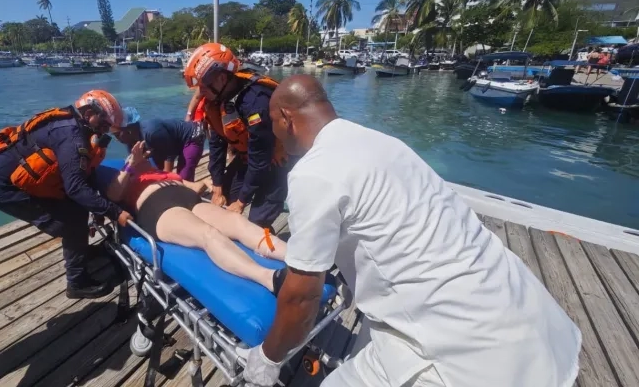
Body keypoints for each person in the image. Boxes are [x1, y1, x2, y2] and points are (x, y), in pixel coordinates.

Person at [242, 74, 581, 387]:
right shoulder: (383, 143)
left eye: (272, 123)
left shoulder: (314, 173)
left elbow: (302, 297)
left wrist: (268, 357)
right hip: (523, 308)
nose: (273, 135)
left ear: (286, 117)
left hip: (464, 345)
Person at [0, 90, 132, 299]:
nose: (105, 129)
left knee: (78, 210)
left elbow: (83, 172)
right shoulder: (72, 137)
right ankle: (77, 283)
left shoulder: (75, 124)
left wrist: (97, 208)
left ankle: (80, 252)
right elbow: (76, 188)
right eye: (104, 123)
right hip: (7, 188)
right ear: (89, 113)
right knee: (71, 222)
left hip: (26, 180)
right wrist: (115, 212)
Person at [93, 141, 287, 293]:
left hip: (189, 199)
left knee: (237, 221)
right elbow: (113, 195)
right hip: (157, 208)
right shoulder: (124, 175)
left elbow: (194, 186)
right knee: (208, 234)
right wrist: (130, 165)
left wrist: (209, 185)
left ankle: (294, 256)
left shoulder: (159, 172)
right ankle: (269, 278)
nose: (145, 154)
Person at [182, 43, 289, 229]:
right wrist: (217, 184)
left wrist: (241, 202)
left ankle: (265, 239)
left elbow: (260, 159)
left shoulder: (256, 103)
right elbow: (216, 145)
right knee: (225, 193)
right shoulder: (215, 102)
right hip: (249, 157)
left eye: (204, 85)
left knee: (257, 220)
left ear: (222, 78)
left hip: (276, 161)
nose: (201, 92)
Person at [110, 107, 206, 182]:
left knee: (183, 178)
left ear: (128, 130)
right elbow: (135, 164)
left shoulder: (151, 132)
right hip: (170, 143)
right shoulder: (130, 142)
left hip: (191, 136)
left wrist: (168, 179)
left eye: (117, 135)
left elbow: (169, 156)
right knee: (158, 172)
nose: (117, 139)